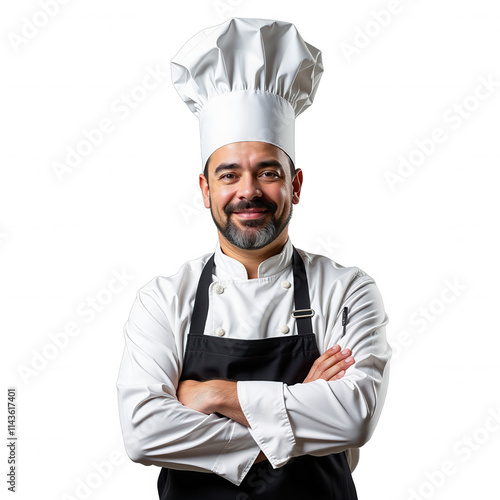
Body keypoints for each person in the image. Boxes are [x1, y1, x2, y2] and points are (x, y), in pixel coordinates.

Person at [116, 17, 392, 500]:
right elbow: (143, 432)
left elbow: (355, 416)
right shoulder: (163, 299)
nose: (248, 191)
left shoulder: (348, 290)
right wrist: (298, 408)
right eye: (228, 175)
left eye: (267, 172)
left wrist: (214, 395)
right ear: (205, 190)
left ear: (295, 185)